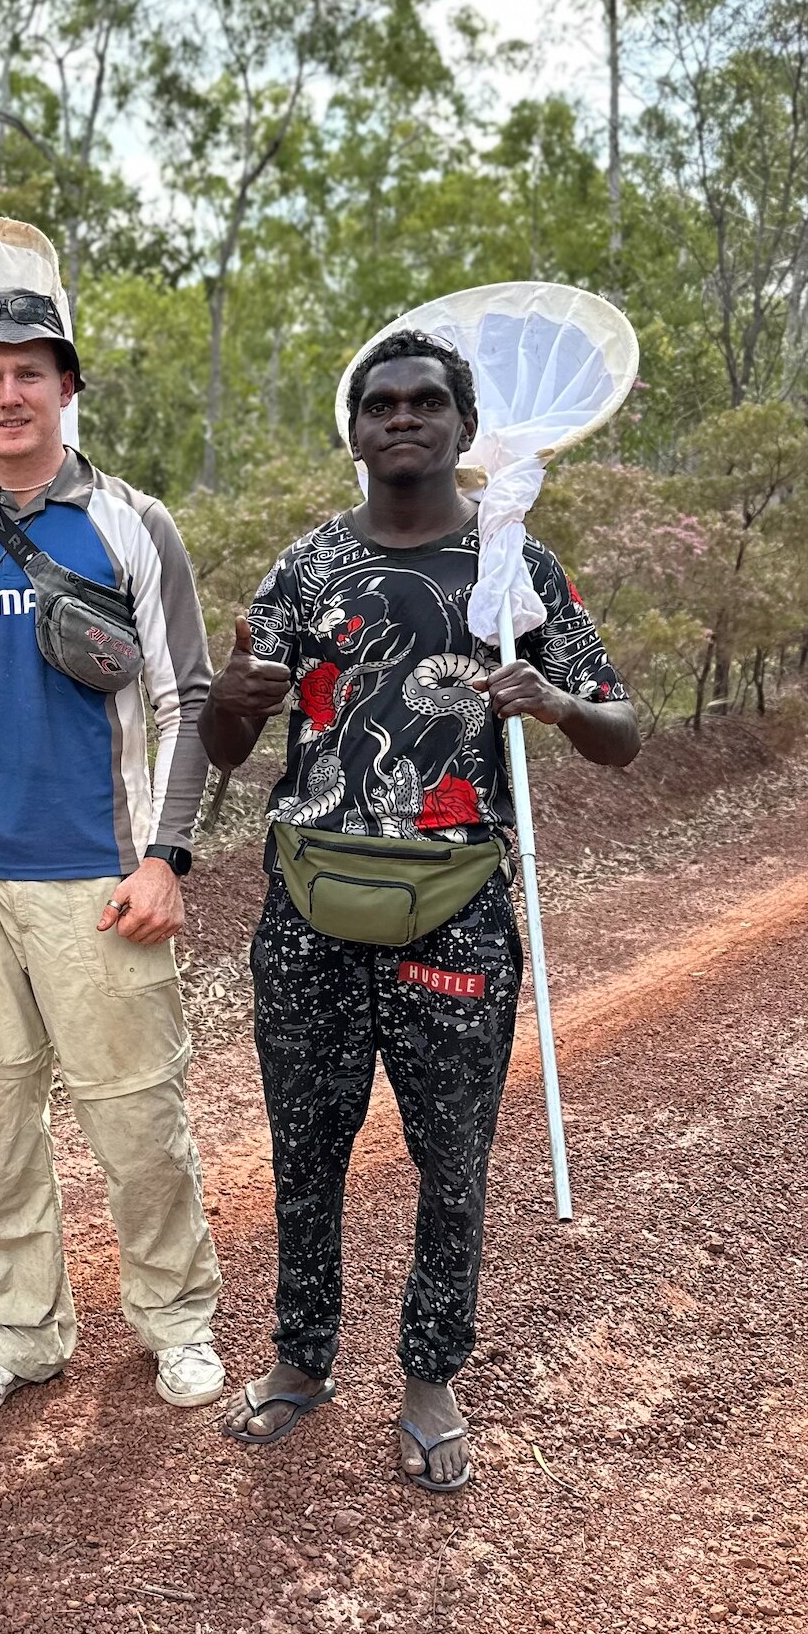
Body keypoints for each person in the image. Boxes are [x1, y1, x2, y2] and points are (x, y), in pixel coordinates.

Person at [200, 328, 639, 1492]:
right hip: (308, 901)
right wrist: (233, 701)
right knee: (304, 1149)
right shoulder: (303, 568)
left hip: (456, 907)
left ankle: (430, 1372)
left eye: (425, 402)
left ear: (463, 425)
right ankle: (301, 1357)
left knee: (452, 1156)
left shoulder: (513, 567)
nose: (401, 418)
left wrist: (548, 699)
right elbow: (229, 740)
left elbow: (623, 729)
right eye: (378, 404)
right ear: (352, 432)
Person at [0, 289, 224, 1422]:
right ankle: (18, 1330)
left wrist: (164, 855)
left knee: (135, 1117)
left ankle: (175, 1319)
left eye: (31, 372)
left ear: (66, 387)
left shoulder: (129, 522)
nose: (9, 394)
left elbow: (188, 695)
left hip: (99, 875)